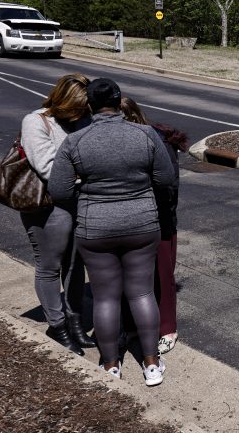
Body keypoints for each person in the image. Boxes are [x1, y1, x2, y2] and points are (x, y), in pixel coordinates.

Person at [49, 78, 176, 386]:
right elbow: (166, 179)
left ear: (89, 106)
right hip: (141, 224)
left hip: (96, 228)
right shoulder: (145, 135)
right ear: (120, 103)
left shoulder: (75, 141)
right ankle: (151, 363)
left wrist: (89, 194)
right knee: (142, 292)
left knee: (105, 298)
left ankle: (110, 366)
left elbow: (59, 191)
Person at [20, 73, 95, 355]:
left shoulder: (84, 119)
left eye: (84, 109)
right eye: (76, 108)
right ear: (62, 101)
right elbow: (49, 169)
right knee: (49, 265)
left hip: (77, 202)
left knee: (75, 267)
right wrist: (87, 172)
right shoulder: (36, 121)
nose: (80, 114)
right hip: (45, 205)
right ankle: (57, 325)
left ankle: (75, 323)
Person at [120, 97, 189, 354]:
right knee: (135, 277)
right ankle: (136, 325)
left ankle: (167, 328)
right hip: (134, 220)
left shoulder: (158, 142)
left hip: (160, 219)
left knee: (162, 276)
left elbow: (169, 187)